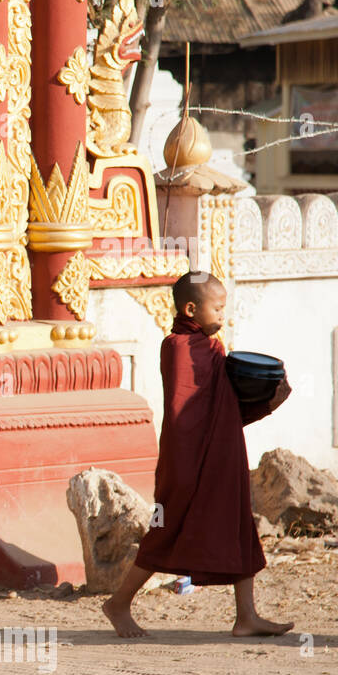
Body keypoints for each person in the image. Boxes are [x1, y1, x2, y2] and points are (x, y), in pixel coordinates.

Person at [102, 271, 293, 638]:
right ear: (191, 308)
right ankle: (118, 603)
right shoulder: (176, 347)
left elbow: (222, 409)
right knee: (164, 530)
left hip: (223, 458)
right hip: (188, 463)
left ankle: (246, 616)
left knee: (238, 528)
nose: (223, 315)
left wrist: (269, 402)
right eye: (217, 308)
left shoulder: (214, 347)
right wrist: (187, 471)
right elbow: (183, 414)